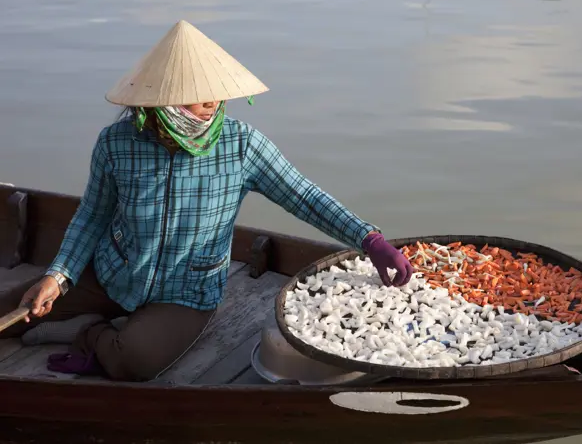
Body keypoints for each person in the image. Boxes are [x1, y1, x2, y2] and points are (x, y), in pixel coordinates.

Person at [0, 20, 413, 382]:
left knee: (136, 360)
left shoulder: (242, 146)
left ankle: (88, 333)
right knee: (11, 310)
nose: (212, 103)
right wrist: (57, 276)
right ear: (162, 98)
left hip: (187, 290)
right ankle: (92, 315)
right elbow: (91, 216)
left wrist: (369, 240)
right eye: (198, 95)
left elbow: (304, 195)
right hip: (114, 275)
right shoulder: (117, 144)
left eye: (215, 94)